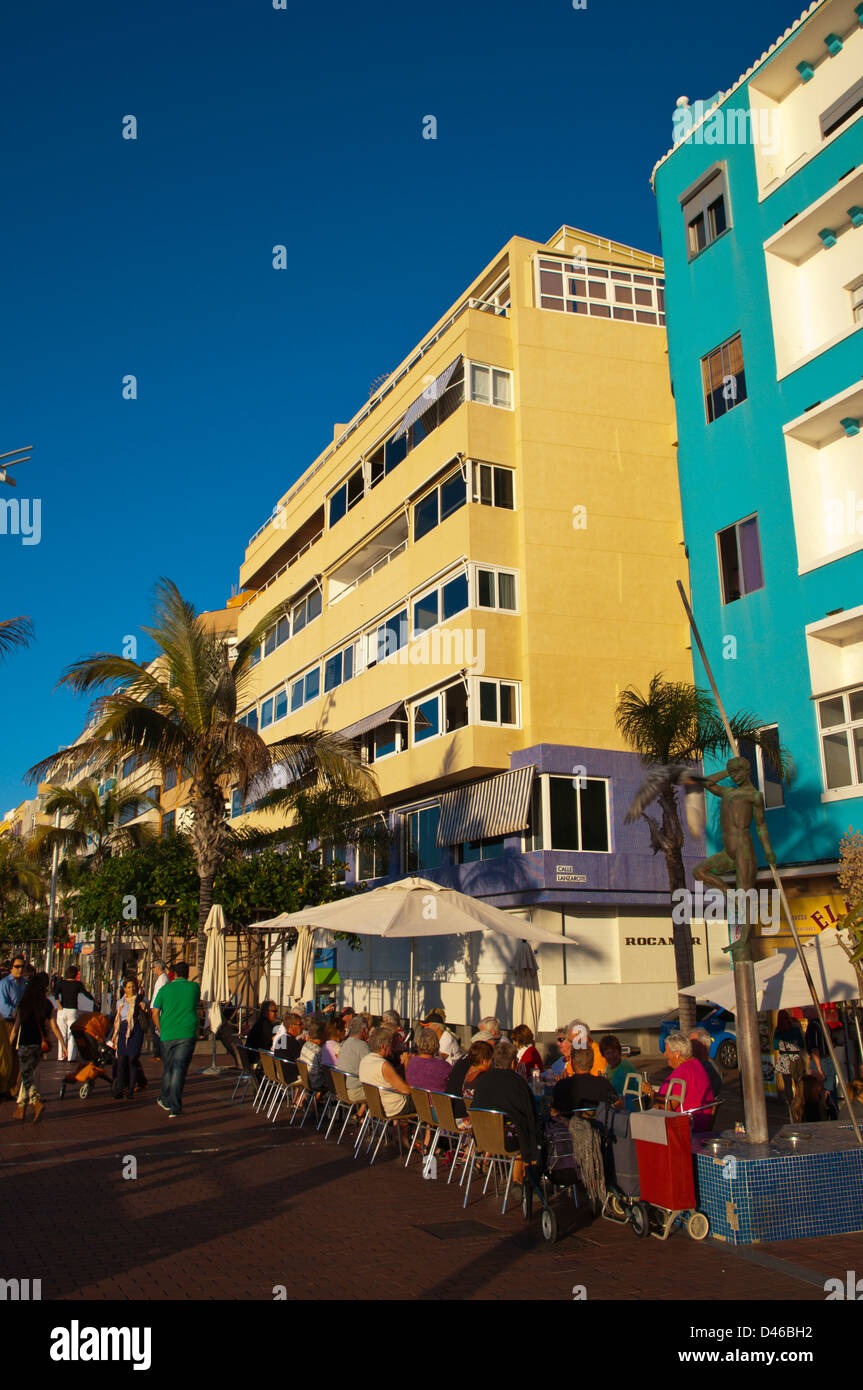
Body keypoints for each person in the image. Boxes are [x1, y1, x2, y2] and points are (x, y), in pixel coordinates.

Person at [469, 1039, 538, 1189]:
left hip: (482, 1138)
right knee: (523, 1131)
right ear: (513, 1063)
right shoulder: (518, 1083)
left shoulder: (482, 1080)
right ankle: (518, 1180)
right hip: (506, 1140)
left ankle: (517, 1180)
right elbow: (530, 1115)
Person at [11, 972, 62, 1122]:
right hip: (40, 1045)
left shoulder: (24, 1003)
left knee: (26, 1076)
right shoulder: (46, 1004)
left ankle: (36, 1103)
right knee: (29, 1075)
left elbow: (16, 1028)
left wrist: (9, 1043)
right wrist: (62, 1044)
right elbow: (53, 1026)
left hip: (25, 1043)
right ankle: (22, 1107)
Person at [152, 962, 200, 1119]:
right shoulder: (194, 987)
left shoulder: (164, 990)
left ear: (174, 974)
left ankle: (166, 1099)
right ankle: (174, 1106)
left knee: (169, 1068)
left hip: (167, 1034)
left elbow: (154, 1012)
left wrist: (160, 1028)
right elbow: (195, 1004)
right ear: (187, 973)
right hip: (187, 1032)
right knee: (179, 1069)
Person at [654, 1032, 715, 1132]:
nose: (665, 1054)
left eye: (667, 1051)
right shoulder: (694, 1064)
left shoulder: (684, 1071)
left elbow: (670, 1105)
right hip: (694, 1120)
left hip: (685, 1125)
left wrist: (652, 1094)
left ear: (677, 1053)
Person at [358, 1026, 415, 1119]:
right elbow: (407, 1090)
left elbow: (387, 1078)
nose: (391, 1048)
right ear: (383, 1046)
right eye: (390, 1044)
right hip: (393, 1108)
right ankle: (423, 1132)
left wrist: (401, 1066)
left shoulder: (365, 1060)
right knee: (425, 1103)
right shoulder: (383, 1065)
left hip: (376, 1106)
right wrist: (406, 1066)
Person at [111, 977, 150, 1100]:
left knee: (132, 1059)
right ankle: (120, 1088)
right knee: (122, 1060)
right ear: (124, 989)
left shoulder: (141, 999)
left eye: (133, 987)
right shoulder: (120, 1002)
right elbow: (118, 1018)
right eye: (128, 987)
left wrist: (145, 1008)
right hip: (123, 1030)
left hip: (136, 1030)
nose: (131, 989)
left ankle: (131, 1090)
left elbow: (148, 1014)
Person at [552, 1047, 618, 1117]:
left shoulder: (562, 1085)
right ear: (592, 1063)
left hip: (570, 1126)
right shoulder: (603, 1083)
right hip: (598, 1125)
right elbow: (618, 1105)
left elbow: (554, 1113)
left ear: (573, 1063)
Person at [55, 964, 94, 1062]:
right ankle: (71, 1057)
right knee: (72, 1034)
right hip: (73, 1010)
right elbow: (85, 993)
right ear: (76, 974)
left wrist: (58, 1004)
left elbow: (55, 993)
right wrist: (94, 999)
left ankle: (61, 1056)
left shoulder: (61, 983)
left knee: (62, 1034)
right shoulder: (78, 984)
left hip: (62, 1010)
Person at [0, 955, 27, 1099]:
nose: (20, 969)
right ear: (11, 968)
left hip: (19, 1022)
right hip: (7, 1022)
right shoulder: (5, 983)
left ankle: (11, 1089)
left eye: (22, 966)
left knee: (17, 1056)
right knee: (5, 1056)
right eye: (17, 967)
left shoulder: (23, 983)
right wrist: (17, 1011)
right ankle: (3, 1088)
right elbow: (3, 1006)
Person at [804, 1009, 838, 1119]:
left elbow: (814, 1048)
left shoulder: (812, 1026)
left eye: (805, 1011)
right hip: (829, 1060)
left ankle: (821, 1116)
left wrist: (818, 1067)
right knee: (830, 1090)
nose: (804, 1014)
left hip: (820, 1061)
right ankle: (834, 1115)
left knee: (816, 1092)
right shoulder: (825, 1024)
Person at [405, 1027, 452, 1093]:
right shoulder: (444, 1066)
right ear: (436, 1043)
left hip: (416, 1101)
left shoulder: (411, 1062)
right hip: (438, 1102)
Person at [599, 1034, 642, 1105]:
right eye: (608, 1053)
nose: (612, 1056)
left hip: (629, 1104)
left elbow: (617, 1093)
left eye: (614, 1051)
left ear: (619, 1051)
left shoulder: (624, 1067)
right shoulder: (609, 1067)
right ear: (603, 1055)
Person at [338, 1016, 371, 1104]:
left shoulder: (344, 1043)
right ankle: (364, 1117)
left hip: (341, 1090)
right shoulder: (362, 1045)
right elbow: (372, 1068)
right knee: (381, 1092)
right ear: (364, 1031)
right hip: (354, 1091)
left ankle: (361, 1116)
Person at [689, 1028, 722, 1100]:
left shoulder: (707, 1068)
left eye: (692, 1043)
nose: (689, 1047)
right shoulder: (708, 1065)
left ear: (702, 1045)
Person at [299, 1019, 327, 1092]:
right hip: (315, 1082)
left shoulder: (306, 1045)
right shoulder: (318, 1051)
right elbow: (324, 1069)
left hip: (306, 1080)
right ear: (323, 1035)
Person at [150, 961, 169, 1060]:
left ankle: (158, 1054)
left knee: (157, 1031)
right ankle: (158, 1053)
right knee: (155, 1031)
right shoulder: (162, 978)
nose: (153, 970)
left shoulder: (163, 979)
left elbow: (159, 995)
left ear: (158, 968)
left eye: (153, 967)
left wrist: (155, 1009)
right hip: (156, 1009)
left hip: (158, 1010)